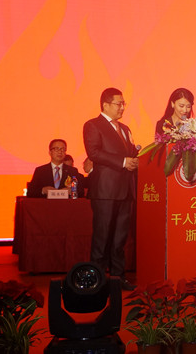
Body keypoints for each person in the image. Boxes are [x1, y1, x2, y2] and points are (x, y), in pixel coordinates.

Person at [83, 87, 138, 290]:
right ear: (105, 105)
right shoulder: (93, 125)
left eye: (124, 104)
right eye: (118, 104)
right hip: (105, 190)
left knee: (119, 238)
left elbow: (130, 153)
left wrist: (135, 160)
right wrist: (123, 162)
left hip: (125, 189)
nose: (122, 107)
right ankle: (96, 281)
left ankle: (118, 277)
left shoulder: (125, 128)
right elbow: (94, 152)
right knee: (102, 237)